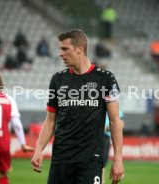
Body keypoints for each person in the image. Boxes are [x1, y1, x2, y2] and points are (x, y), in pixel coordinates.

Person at [31, 29, 124, 184]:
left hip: (91, 160)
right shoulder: (58, 80)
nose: (60, 53)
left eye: (65, 49)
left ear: (80, 48)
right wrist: (38, 150)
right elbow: (50, 120)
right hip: (61, 160)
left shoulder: (105, 79)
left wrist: (118, 160)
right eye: (60, 49)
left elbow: (114, 121)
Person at [102, 109, 124, 184]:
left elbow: (121, 124)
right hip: (94, 137)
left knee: (102, 165)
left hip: (105, 137)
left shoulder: (116, 108)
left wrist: (105, 128)